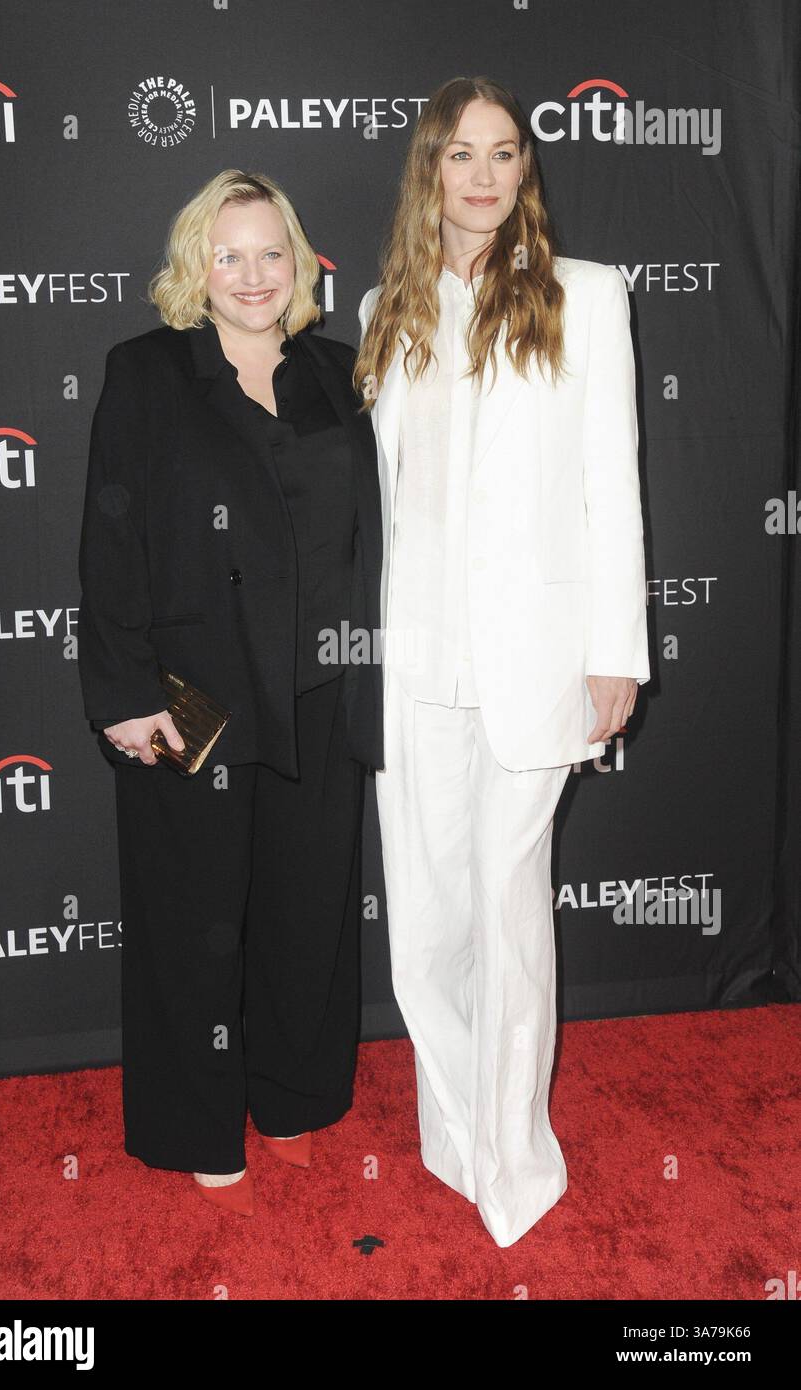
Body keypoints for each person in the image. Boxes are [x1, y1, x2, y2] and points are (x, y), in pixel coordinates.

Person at [355, 77, 650, 1247]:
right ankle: (454, 1136)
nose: (482, 174)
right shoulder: (391, 305)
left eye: (505, 153)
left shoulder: (587, 296)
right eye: (460, 153)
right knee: (426, 920)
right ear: (429, 169)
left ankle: (516, 1163)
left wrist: (615, 650)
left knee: (509, 910)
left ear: (526, 171)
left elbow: (611, 486)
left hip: (539, 662)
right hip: (420, 659)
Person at [77, 170, 383, 1216]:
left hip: (321, 688)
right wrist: (120, 690)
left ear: (300, 264)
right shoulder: (148, 370)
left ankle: (293, 1091)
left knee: (307, 909)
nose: (254, 276)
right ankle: (195, 1121)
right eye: (229, 254)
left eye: (272, 253)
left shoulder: (342, 375)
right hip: (187, 696)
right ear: (194, 267)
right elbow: (110, 538)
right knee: (190, 916)